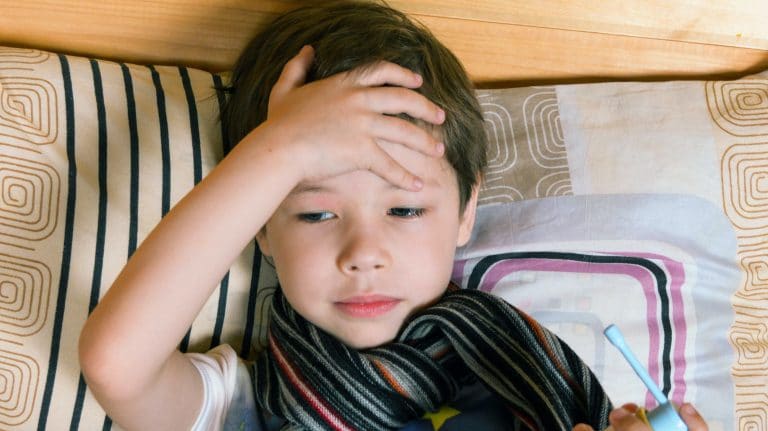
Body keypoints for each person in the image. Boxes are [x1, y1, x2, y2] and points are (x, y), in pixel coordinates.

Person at [78, 1, 707, 430]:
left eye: (404, 207)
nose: (364, 252)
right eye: (315, 213)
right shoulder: (249, 402)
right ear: (260, 228)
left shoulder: (528, 387)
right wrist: (282, 149)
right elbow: (117, 363)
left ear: (466, 211)